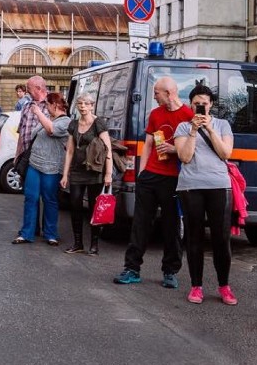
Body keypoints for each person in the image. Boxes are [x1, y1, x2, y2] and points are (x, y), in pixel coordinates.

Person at [114, 75, 191, 289]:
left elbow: (191, 151)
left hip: (174, 179)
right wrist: (142, 173)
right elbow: (148, 144)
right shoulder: (156, 114)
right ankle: (132, 269)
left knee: (171, 226)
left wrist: (175, 149)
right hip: (150, 176)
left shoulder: (188, 115)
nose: (154, 96)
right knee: (140, 224)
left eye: (156, 92)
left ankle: (170, 271)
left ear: (169, 93)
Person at [173, 84, 237, 306]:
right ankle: (196, 286)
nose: (201, 106)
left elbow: (226, 153)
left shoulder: (222, 125)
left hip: (219, 185)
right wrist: (193, 130)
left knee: (221, 238)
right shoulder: (182, 127)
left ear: (211, 105)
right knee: (194, 237)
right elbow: (184, 157)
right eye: (197, 103)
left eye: (205, 103)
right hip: (191, 186)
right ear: (191, 105)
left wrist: (210, 129)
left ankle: (224, 286)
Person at [13, 91, 70, 245]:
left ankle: (50, 234)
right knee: (30, 198)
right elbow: (32, 134)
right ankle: (26, 233)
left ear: (55, 105)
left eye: (47, 105)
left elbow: (51, 130)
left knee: (49, 199)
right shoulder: (47, 118)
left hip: (51, 167)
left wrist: (38, 112)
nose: (45, 108)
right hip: (34, 164)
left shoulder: (66, 122)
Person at [61, 92, 113, 256]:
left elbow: (107, 149)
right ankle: (78, 243)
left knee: (93, 207)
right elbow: (69, 151)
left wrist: (108, 174)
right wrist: (65, 174)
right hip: (77, 171)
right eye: (80, 103)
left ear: (92, 106)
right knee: (75, 205)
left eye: (86, 103)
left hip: (95, 171)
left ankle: (94, 244)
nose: (82, 106)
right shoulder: (73, 124)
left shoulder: (99, 124)